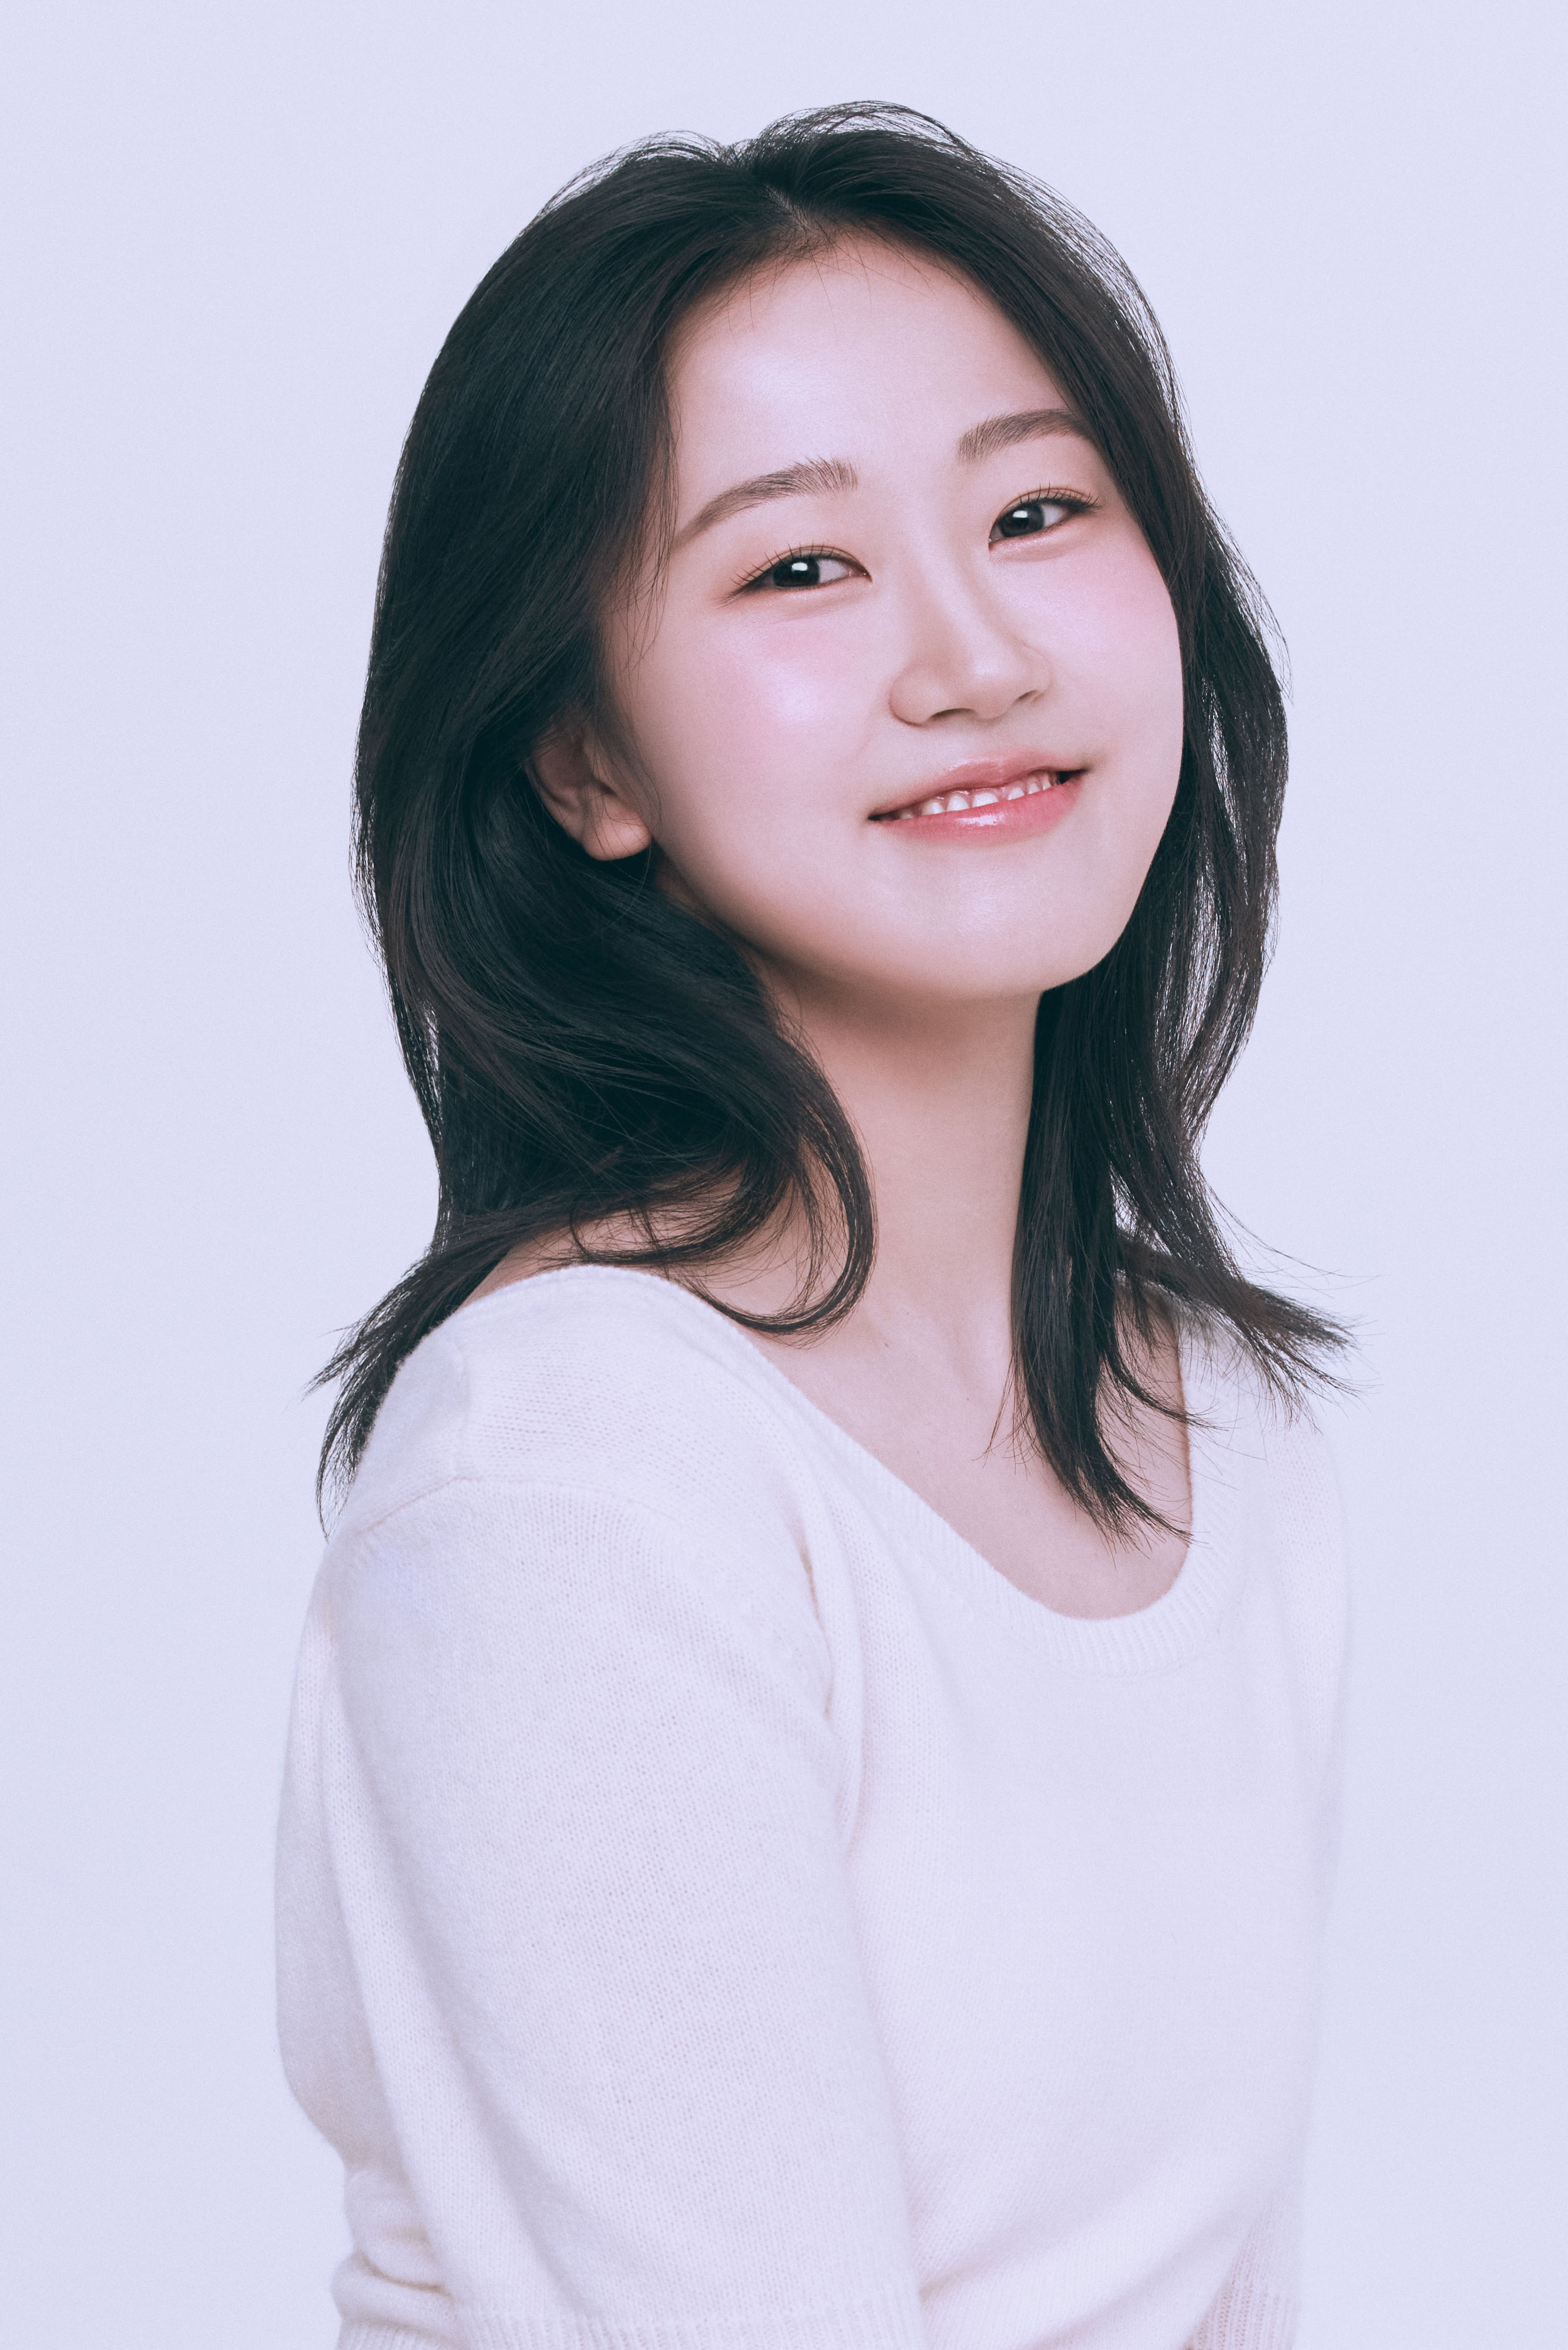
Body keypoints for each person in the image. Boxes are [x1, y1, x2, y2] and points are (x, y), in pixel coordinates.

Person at [276, 102, 1349, 2350]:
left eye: (1037, 512)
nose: (973, 655)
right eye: (797, 570)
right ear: (585, 761)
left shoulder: (1211, 1413)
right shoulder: (576, 1478)